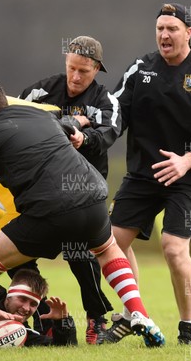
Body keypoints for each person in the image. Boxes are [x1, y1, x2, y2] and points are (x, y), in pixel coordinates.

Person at [0, 80, 165, 348]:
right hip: (92, 196)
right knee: (108, 250)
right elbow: (68, 125)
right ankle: (139, 313)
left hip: (50, 210)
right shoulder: (40, 114)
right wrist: (80, 121)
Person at [104, 3, 191, 346]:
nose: (165, 35)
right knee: (107, 243)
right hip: (143, 176)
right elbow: (115, 113)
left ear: (188, 33)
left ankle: (188, 329)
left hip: (188, 179)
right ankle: (138, 315)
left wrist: (188, 160)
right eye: (160, 28)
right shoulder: (140, 69)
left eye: (173, 29)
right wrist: (90, 134)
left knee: (174, 248)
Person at [16, 35, 120, 344]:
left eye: (84, 71)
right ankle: (38, 316)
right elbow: (18, 118)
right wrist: (69, 120)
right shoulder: (41, 90)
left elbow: (108, 133)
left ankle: (96, 320)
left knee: (80, 255)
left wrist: (83, 137)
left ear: (97, 69)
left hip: (83, 192)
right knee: (19, 252)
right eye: (71, 68)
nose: (75, 77)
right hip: (41, 189)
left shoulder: (106, 100)